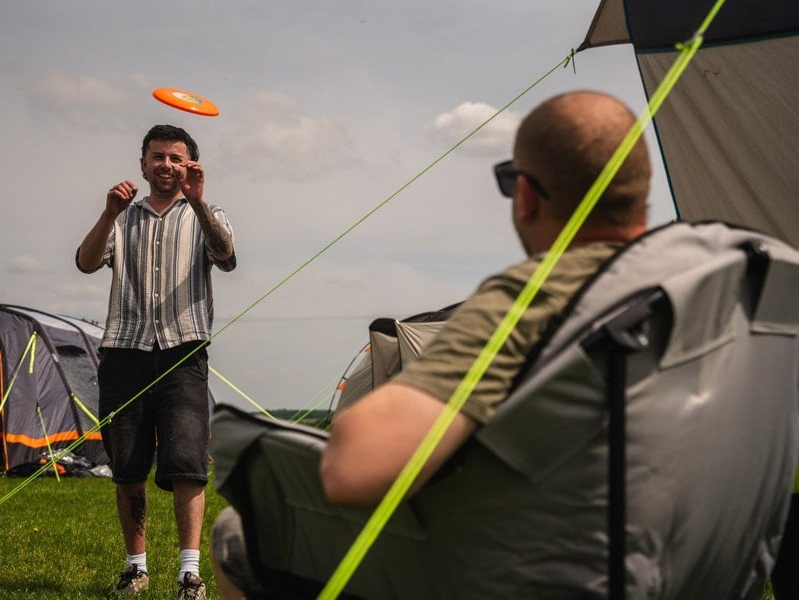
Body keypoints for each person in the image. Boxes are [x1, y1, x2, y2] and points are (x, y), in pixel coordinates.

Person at [211, 90, 651, 598]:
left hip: (525, 573)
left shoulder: (523, 305)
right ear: (642, 191)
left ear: (525, 194)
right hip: (664, 561)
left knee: (236, 533)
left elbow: (350, 468)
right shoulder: (730, 284)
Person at [77, 124, 236, 600]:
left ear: (190, 165)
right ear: (143, 163)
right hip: (124, 351)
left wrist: (200, 200)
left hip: (183, 351)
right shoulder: (123, 216)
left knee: (187, 462)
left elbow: (226, 257)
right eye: (158, 157)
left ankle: (190, 574)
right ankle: (135, 569)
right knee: (127, 466)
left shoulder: (207, 212)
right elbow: (86, 263)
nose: (166, 165)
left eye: (176, 158)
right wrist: (108, 214)